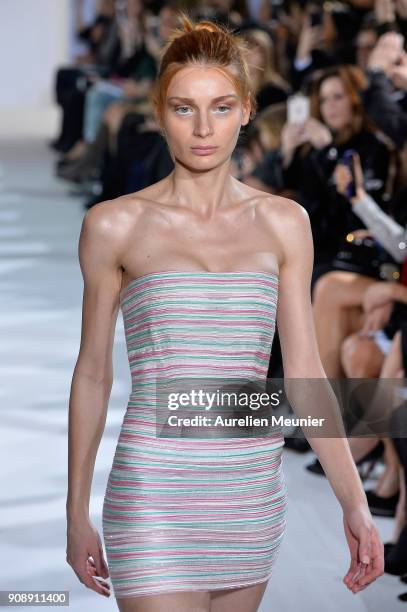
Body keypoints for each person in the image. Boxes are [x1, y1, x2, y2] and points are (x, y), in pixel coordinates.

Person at [66, 12, 384, 611]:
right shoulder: (115, 225)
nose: (203, 128)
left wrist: (354, 503)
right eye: (184, 107)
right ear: (160, 113)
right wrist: (75, 511)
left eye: (220, 106)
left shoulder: (285, 223)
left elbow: (307, 373)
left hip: (249, 498)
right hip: (155, 494)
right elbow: (92, 374)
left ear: (245, 110)